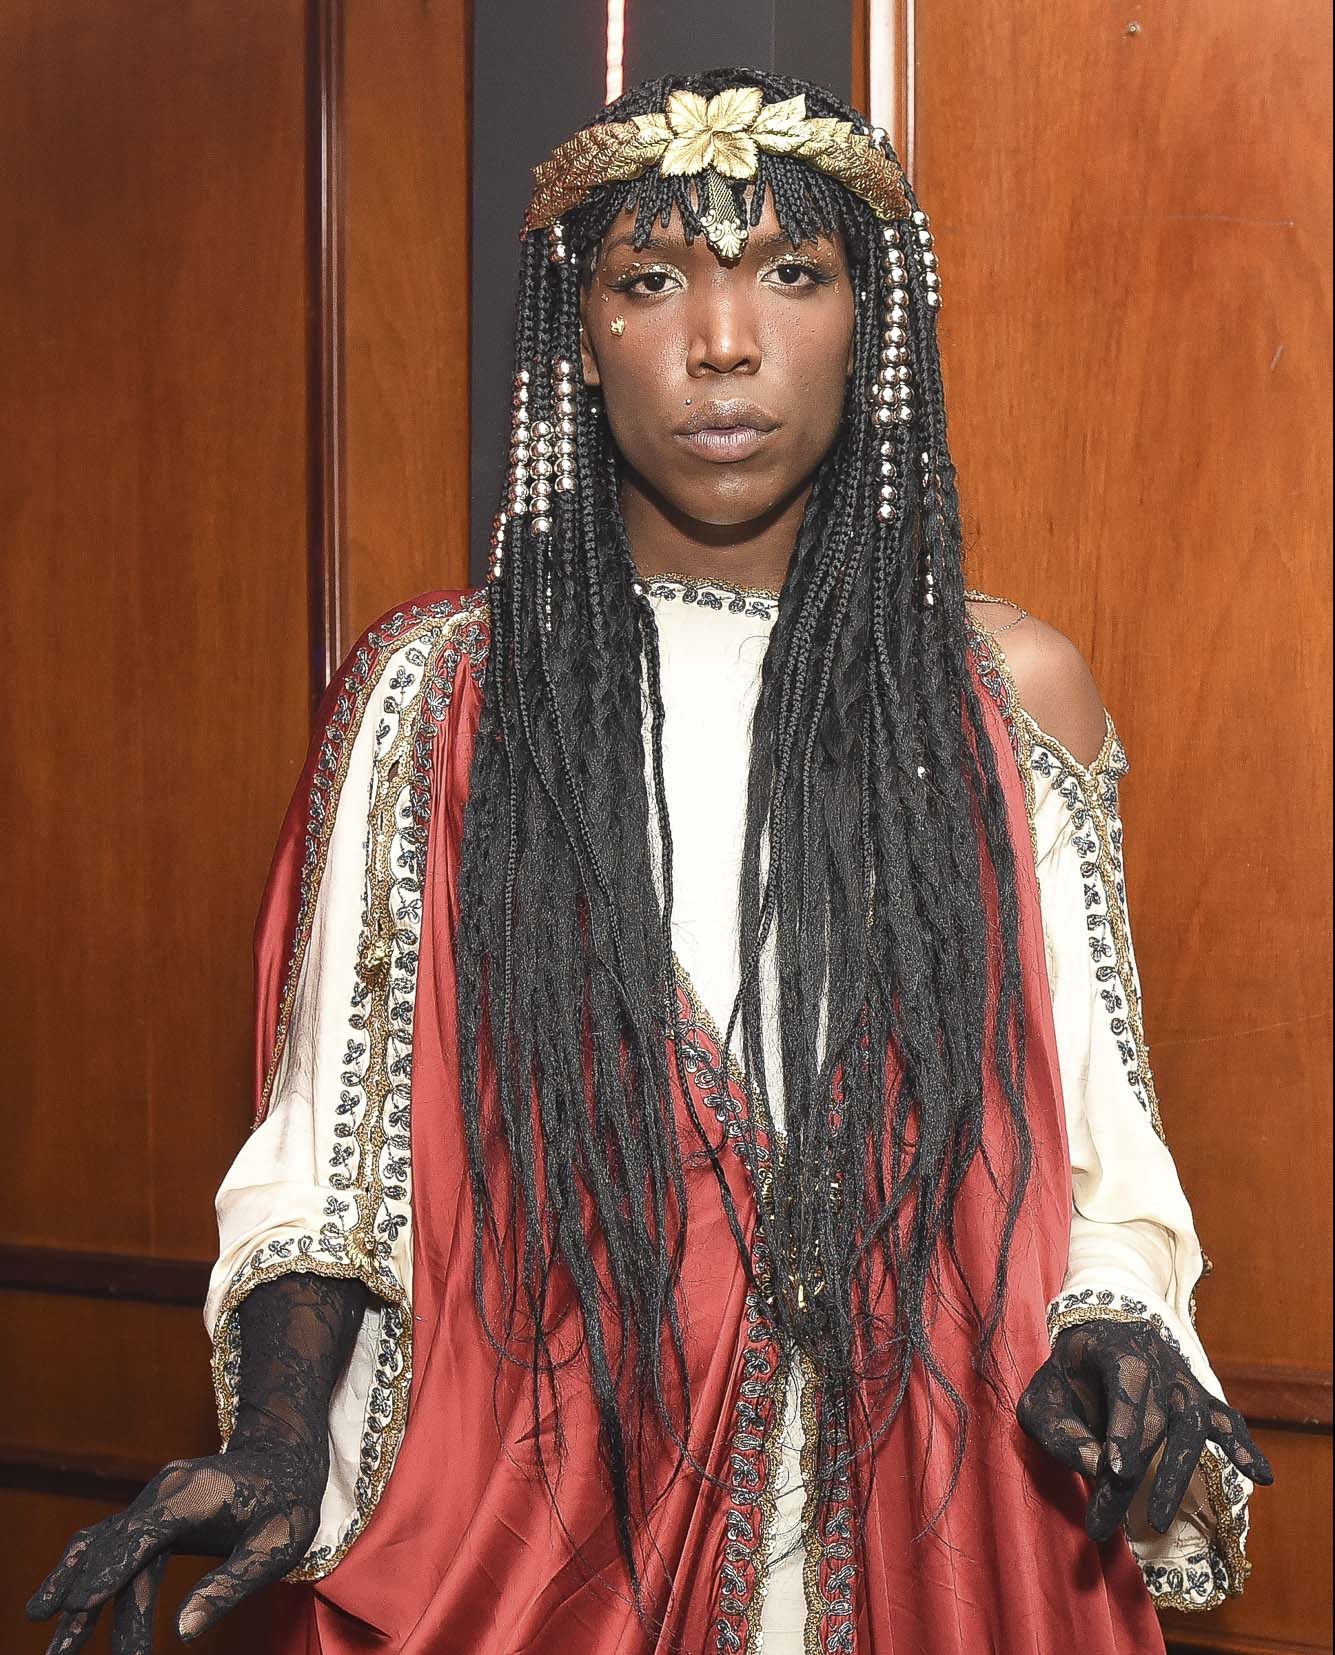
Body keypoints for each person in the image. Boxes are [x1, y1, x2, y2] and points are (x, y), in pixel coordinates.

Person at [27, 67, 1272, 1655]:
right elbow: (332, 1163)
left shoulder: (1002, 691)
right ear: (580, 333)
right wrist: (276, 1437)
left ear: (873, 325)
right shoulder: (441, 696)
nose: (724, 341)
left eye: (793, 273)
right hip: (556, 1518)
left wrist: (1119, 1333)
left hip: (950, 1510)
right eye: (653, 280)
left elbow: (1104, 1149)